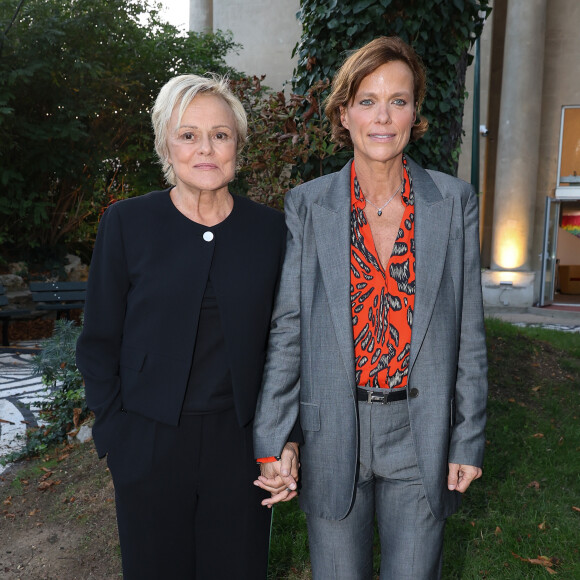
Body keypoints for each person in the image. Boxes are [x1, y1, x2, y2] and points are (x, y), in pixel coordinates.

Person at [253, 36, 488, 579]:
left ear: (415, 113)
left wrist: (467, 436)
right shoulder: (308, 205)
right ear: (343, 112)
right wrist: (274, 439)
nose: (383, 116)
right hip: (331, 429)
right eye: (367, 100)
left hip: (421, 432)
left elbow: (470, 332)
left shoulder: (453, 203)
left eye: (399, 100)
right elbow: (289, 329)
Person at [76, 74, 291, 579]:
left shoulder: (272, 231)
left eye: (220, 134)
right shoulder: (127, 223)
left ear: (237, 143)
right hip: (148, 443)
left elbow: (287, 345)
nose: (206, 149)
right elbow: (99, 341)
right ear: (165, 146)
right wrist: (117, 437)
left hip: (240, 449)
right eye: (188, 135)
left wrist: (284, 440)